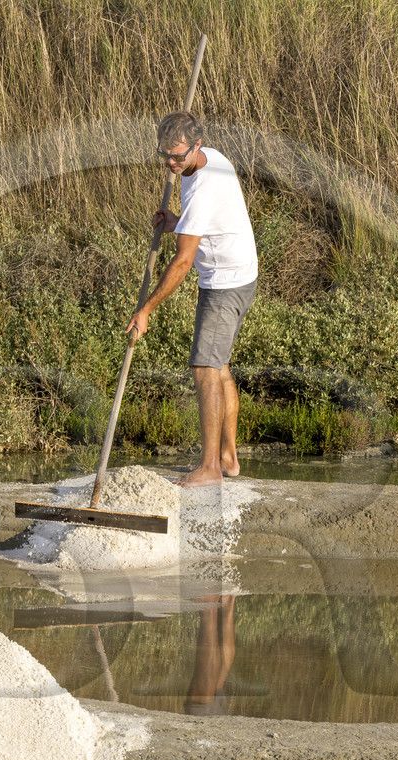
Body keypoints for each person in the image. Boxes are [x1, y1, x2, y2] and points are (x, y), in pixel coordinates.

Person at [124, 111, 259, 487]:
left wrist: (145, 309)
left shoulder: (201, 189)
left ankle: (210, 469)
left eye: (178, 156)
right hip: (240, 272)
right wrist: (176, 223)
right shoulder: (208, 160)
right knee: (219, 367)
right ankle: (227, 458)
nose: (171, 163)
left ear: (196, 146)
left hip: (224, 284)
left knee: (204, 369)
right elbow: (203, 221)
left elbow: (183, 262)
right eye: (164, 155)